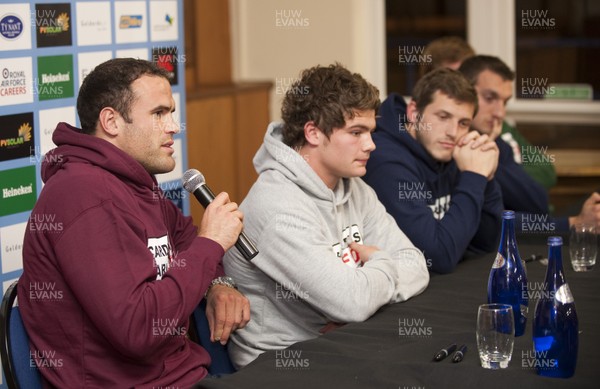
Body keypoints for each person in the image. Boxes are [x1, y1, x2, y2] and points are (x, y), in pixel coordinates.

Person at [18, 58, 250, 387]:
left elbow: (184, 236)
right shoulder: (81, 195)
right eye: (158, 114)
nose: (173, 126)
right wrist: (210, 244)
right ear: (111, 121)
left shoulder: (133, 181)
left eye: (170, 112)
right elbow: (137, 330)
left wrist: (217, 285)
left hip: (188, 376)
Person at [223, 64, 430, 369]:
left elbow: (416, 265)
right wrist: (381, 263)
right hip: (282, 363)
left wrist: (362, 299)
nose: (371, 145)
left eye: (370, 132)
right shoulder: (277, 206)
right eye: (356, 133)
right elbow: (352, 302)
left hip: (342, 343)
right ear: (314, 132)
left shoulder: (354, 187)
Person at [363, 68, 503, 274]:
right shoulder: (384, 160)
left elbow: (485, 244)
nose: (453, 132)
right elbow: (437, 257)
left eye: (463, 123)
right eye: (443, 116)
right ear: (414, 113)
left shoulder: (452, 150)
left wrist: (486, 178)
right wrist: (474, 177)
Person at [459, 55, 600, 231]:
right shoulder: (452, 146)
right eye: (489, 98)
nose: (500, 113)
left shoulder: (496, 141)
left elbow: (538, 202)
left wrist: (492, 149)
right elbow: (490, 222)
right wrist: (571, 224)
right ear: (464, 93)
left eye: (505, 102)